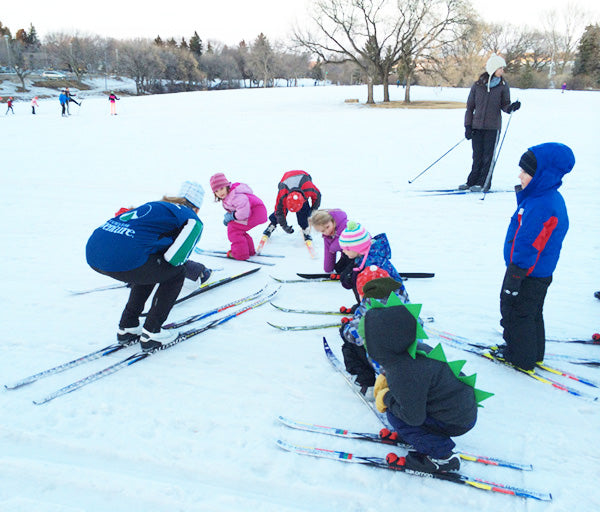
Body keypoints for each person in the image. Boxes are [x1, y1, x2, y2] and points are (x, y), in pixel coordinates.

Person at [86, 181, 205, 350]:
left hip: (94, 253)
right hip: (124, 259)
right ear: (197, 208)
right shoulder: (193, 219)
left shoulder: (156, 207)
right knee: (176, 273)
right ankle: (153, 332)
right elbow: (176, 259)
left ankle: (128, 327)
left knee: (149, 266)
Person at [364, 303, 482, 473]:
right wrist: (387, 376)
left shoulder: (403, 371)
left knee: (396, 415)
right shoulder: (413, 350)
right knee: (403, 407)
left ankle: (442, 457)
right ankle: (414, 436)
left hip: (455, 420)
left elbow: (412, 417)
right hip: (458, 409)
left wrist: (386, 398)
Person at [496, 143, 575, 371]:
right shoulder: (545, 197)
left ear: (543, 176)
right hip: (538, 272)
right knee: (531, 314)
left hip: (526, 272)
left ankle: (520, 357)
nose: (520, 175)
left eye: (526, 172)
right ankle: (533, 353)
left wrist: (516, 272)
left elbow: (528, 242)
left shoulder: (541, 204)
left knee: (515, 314)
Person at [461, 54, 521, 192]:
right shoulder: (477, 86)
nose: (502, 71)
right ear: (493, 68)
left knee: (488, 157)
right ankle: (472, 182)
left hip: (493, 128)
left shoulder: (503, 86)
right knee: (477, 156)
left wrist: (511, 107)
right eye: (500, 68)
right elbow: (470, 108)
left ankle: (484, 183)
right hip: (477, 127)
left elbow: (505, 105)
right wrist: (468, 126)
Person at [337, 221, 408, 303]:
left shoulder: (372, 263)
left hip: (393, 297)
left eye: (346, 249)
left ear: (358, 249)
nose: (344, 251)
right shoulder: (364, 256)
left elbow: (372, 289)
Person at [209, 172, 268, 260]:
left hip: (255, 212)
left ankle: (240, 253)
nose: (219, 193)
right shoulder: (230, 195)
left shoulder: (234, 196)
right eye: (216, 191)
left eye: (221, 188)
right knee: (238, 229)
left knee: (233, 228)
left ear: (226, 186)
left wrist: (232, 216)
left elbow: (244, 213)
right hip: (256, 212)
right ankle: (248, 250)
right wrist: (230, 216)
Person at [262, 170, 321, 242]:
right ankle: (272, 224)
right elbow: (279, 211)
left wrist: (313, 210)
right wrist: (284, 226)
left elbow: (318, 196)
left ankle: (305, 228)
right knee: (280, 209)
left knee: (304, 211)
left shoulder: (309, 188)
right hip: (286, 179)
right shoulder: (283, 194)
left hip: (303, 177)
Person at [309, 209, 349, 274]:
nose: (327, 232)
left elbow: (343, 242)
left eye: (327, 227)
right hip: (347, 255)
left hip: (359, 254)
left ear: (332, 221)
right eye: (322, 231)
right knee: (339, 268)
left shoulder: (345, 225)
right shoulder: (327, 236)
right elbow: (328, 252)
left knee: (347, 272)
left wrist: (333, 247)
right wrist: (328, 269)